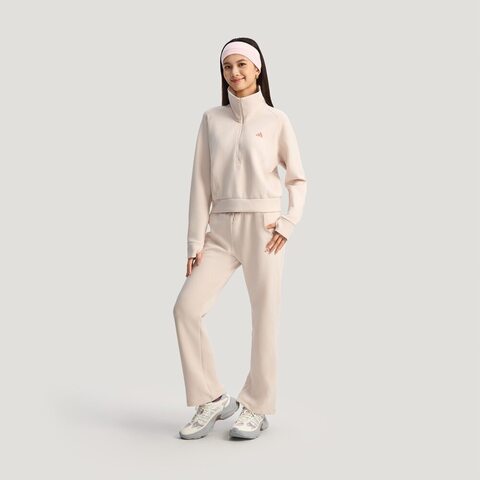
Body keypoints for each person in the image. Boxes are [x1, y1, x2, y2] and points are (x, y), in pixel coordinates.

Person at [173, 37, 307, 440]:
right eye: (227, 67)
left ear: (257, 69)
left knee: (265, 316)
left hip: (264, 230)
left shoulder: (276, 120)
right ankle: (212, 397)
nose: (234, 73)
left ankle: (257, 406)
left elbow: (297, 179)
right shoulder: (211, 119)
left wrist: (288, 222)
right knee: (186, 309)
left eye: (241, 65)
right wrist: (194, 242)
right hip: (219, 229)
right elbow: (200, 183)